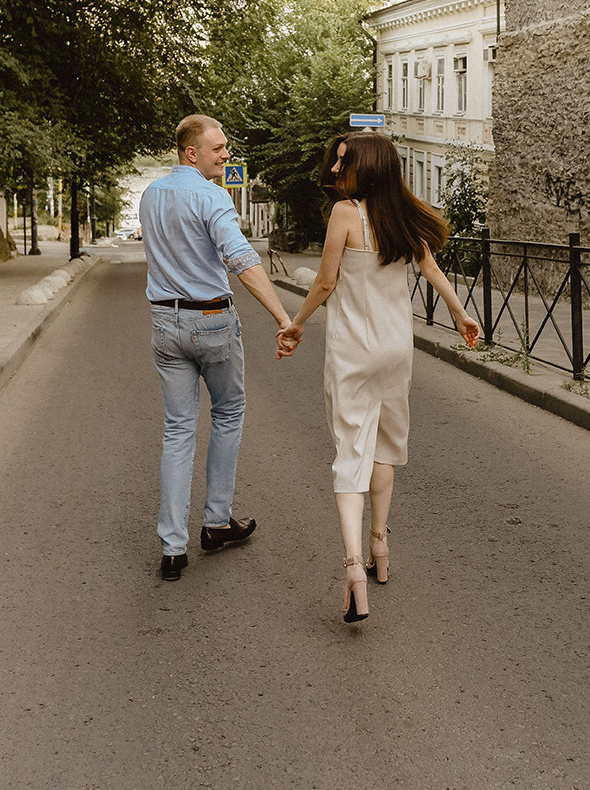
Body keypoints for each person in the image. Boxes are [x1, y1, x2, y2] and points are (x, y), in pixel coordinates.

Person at [276, 131, 480, 622]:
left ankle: (353, 569)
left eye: (343, 162)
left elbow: (325, 281)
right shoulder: (401, 216)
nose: (333, 170)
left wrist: (295, 325)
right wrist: (460, 314)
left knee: (351, 452)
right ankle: (380, 547)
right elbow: (431, 268)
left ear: (368, 168)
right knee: (386, 447)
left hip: (354, 351)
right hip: (395, 349)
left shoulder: (345, 214)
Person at [140, 114, 294, 582]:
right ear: (192, 152)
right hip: (210, 322)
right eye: (218, 148)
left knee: (178, 429)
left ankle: (172, 549)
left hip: (165, 322)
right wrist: (283, 318)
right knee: (227, 412)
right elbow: (241, 259)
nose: (226, 154)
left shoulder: (151, 195)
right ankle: (216, 521)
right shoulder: (212, 197)